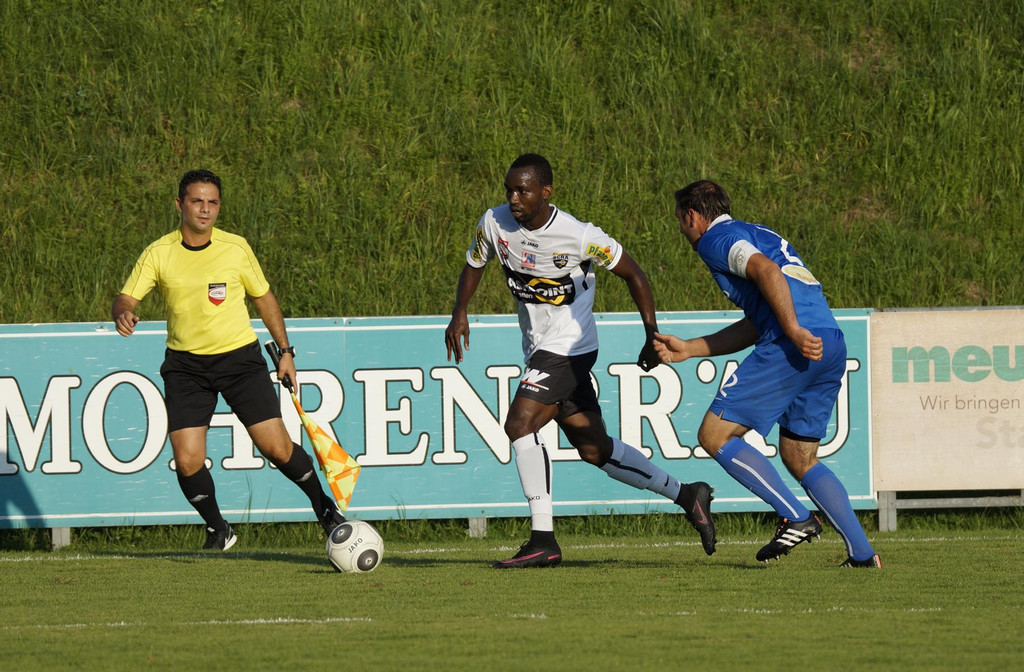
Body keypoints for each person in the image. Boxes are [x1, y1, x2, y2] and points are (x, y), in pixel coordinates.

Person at [445, 154, 715, 568]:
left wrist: (650, 333)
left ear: (546, 192)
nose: (513, 198)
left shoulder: (578, 235)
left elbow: (634, 274)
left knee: (520, 423)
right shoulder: (494, 222)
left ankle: (542, 539)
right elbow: (474, 262)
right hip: (540, 349)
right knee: (595, 449)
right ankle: (686, 494)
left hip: (571, 347)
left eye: (523, 190)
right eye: (509, 189)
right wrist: (460, 311)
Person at [112, 169, 345, 551]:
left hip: (240, 362)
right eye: (197, 201)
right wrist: (122, 312)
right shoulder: (159, 253)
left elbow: (264, 298)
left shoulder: (235, 247)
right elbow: (126, 298)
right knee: (187, 461)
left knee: (277, 448)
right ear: (179, 205)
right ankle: (219, 529)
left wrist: (285, 352)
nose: (205, 209)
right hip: (186, 368)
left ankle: (325, 511)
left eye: (213, 202)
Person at [653, 180, 880, 568]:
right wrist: (691, 348)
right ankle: (862, 554)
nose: (680, 230)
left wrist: (791, 330)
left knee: (714, 434)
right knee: (800, 455)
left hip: (794, 342)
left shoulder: (715, 239)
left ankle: (796, 517)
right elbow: (757, 321)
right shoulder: (755, 231)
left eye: (679, 220)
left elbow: (767, 272)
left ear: (692, 216)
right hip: (828, 340)